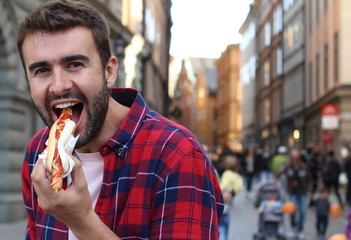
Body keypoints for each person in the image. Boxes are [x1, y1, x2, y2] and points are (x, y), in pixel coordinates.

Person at [18, 1, 223, 239]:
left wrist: (82, 221)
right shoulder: (38, 151)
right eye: (42, 70)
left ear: (109, 71)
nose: (59, 85)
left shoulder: (177, 153)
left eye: (74, 64)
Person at [277, 149, 311, 239]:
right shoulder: (288, 167)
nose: (295, 160)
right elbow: (278, 173)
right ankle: (293, 228)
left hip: (303, 192)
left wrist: (310, 191)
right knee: (292, 210)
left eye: (296, 158)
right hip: (293, 192)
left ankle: (300, 230)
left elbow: (309, 179)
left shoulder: (304, 167)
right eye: (293, 158)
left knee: (303, 211)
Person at [219, 153, 243, 240]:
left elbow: (223, 186)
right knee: (225, 225)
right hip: (231, 200)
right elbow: (239, 187)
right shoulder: (237, 175)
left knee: (221, 227)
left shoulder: (226, 174)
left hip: (224, 200)